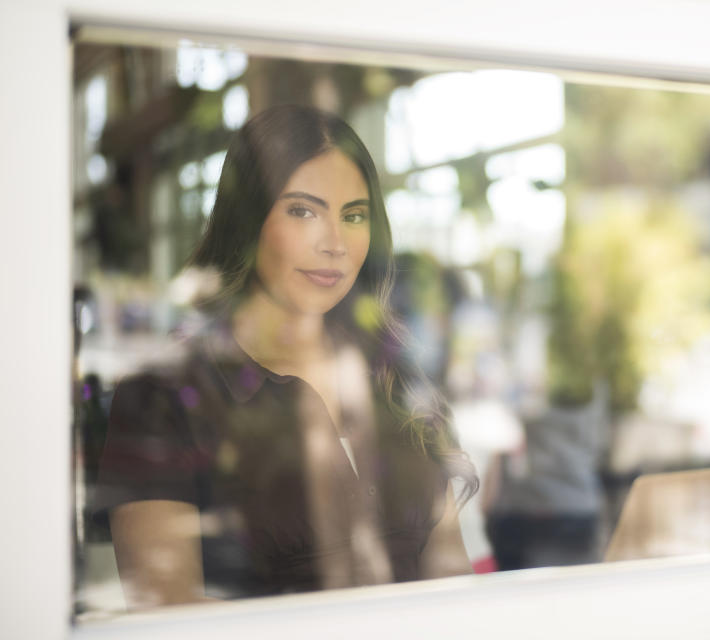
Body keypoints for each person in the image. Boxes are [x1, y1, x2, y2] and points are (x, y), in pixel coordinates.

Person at [96, 105, 478, 609]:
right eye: (303, 210)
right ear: (249, 222)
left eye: (354, 215)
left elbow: (455, 588)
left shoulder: (396, 382)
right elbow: (169, 614)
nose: (335, 243)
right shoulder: (164, 398)